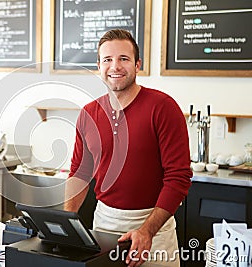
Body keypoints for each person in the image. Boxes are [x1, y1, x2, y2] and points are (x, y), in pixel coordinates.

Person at [64, 29, 193, 267]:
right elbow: (80, 173)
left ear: (137, 65)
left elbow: (179, 177)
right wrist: (65, 222)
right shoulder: (88, 114)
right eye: (108, 60)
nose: (115, 66)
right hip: (104, 226)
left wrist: (147, 231)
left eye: (124, 59)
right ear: (99, 66)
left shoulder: (163, 107)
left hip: (154, 229)